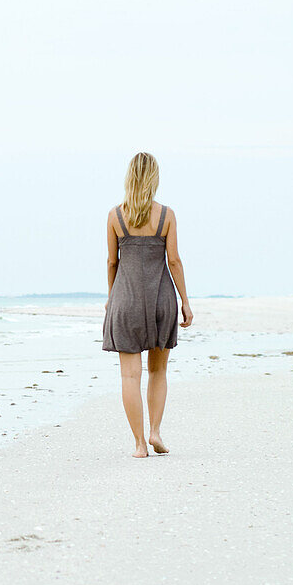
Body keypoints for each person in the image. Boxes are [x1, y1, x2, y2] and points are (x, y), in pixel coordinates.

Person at [102, 152, 193, 457]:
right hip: (161, 299)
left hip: (125, 301)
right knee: (158, 372)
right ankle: (155, 432)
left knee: (130, 376)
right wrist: (185, 301)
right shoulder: (167, 216)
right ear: (154, 178)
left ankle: (140, 444)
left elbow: (112, 262)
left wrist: (112, 296)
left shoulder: (115, 216)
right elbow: (175, 261)